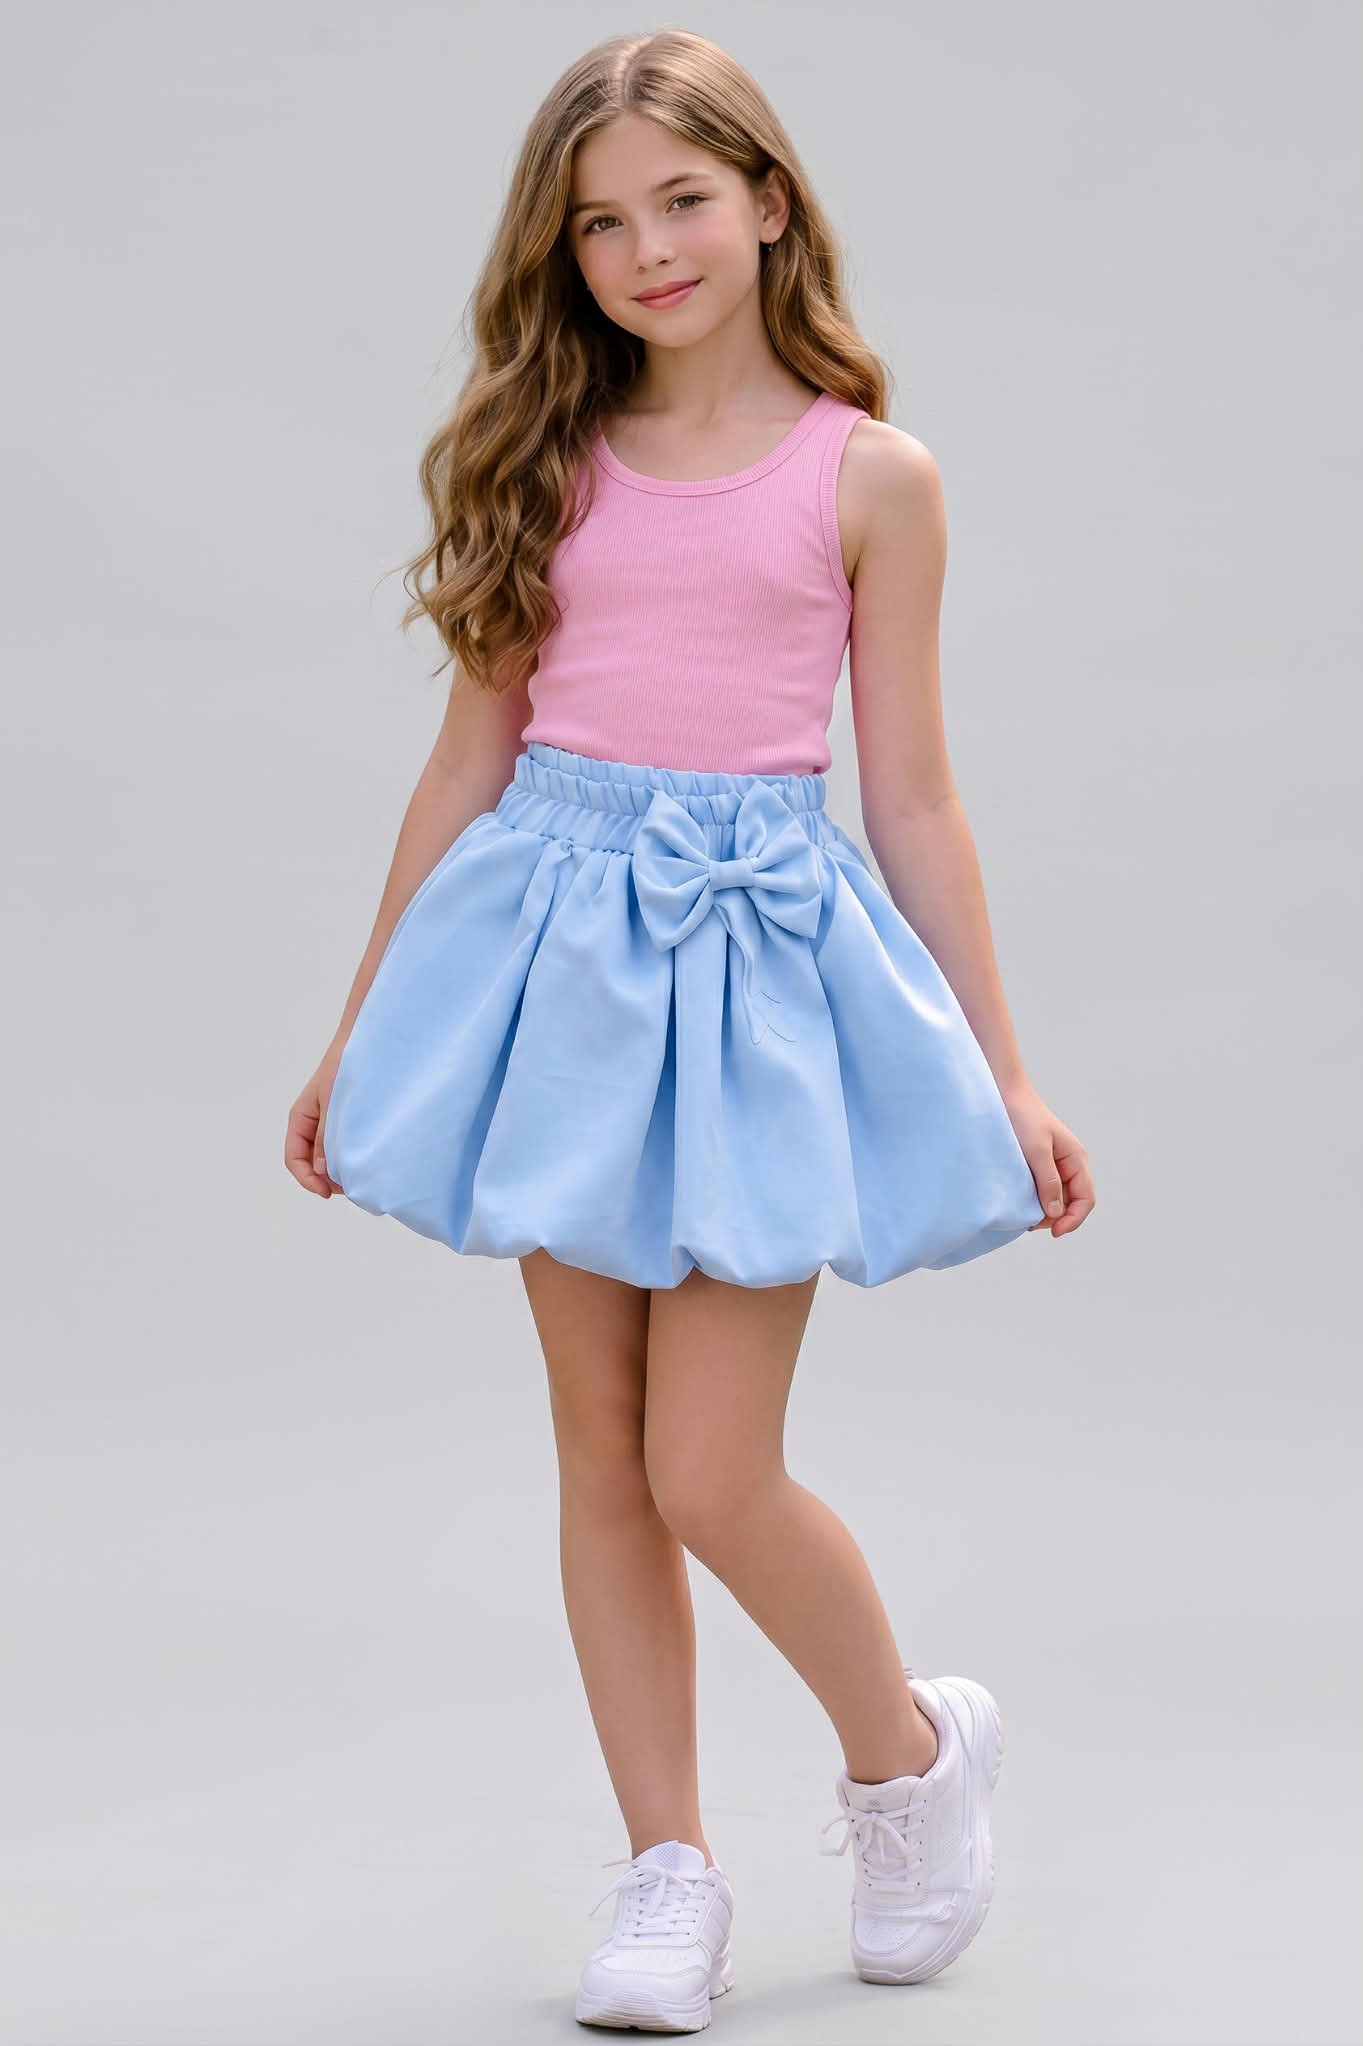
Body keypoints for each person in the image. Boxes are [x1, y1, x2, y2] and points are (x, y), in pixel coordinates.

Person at [285, 26, 1094, 2036]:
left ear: (769, 204)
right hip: (559, 976)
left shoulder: (869, 478)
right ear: (560, 253)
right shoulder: (542, 459)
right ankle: (669, 1869)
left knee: (711, 1467)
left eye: (683, 201)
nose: (648, 249)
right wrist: (362, 1026)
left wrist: (1003, 1066)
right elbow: (465, 758)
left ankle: (907, 1755)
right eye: (601, 224)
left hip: (748, 993)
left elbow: (913, 792)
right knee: (601, 1456)